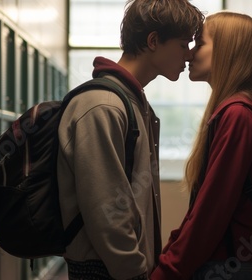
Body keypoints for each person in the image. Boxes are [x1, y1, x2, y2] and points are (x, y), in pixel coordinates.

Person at [150, 12, 252, 280]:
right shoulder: (233, 110)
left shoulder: (238, 115)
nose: (190, 54)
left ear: (226, 51)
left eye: (200, 44)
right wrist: (169, 255)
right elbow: (200, 209)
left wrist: (166, 272)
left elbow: (209, 215)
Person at [57, 1, 204, 279]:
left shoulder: (130, 100)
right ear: (153, 41)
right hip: (105, 271)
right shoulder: (104, 105)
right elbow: (105, 211)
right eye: (184, 45)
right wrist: (135, 272)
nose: (189, 56)